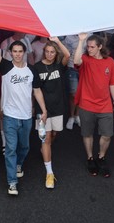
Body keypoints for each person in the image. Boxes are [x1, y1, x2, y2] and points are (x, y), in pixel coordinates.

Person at [0, 22, 47, 196]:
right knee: (11, 148)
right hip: (10, 116)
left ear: (24, 52)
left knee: (25, 147)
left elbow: (37, 91)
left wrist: (44, 110)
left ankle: (19, 164)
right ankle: (12, 182)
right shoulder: (6, 67)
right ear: (10, 53)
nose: (18, 54)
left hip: (26, 116)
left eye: (20, 51)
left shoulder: (31, 71)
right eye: (15, 51)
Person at [73, 33, 114, 178]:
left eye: (92, 47)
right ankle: (90, 158)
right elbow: (75, 60)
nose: (89, 49)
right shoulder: (85, 59)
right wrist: (81, 41)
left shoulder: (110, 62)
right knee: (87, 134)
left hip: (105, 104)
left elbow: (113, 83)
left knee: (107, 134)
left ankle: (101, 157)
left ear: (100, 47)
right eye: (88, 47)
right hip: (86, 104)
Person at [32, 37, 71, 188]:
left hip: (58, 107)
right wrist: (42, 110)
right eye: (47, 52)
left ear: (56, 53)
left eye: (52, 52)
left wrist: (57, 41)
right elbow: (36, 90)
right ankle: (49, 173)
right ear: (43, 52)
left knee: (54, 134)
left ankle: (45, 149)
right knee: (46, 138)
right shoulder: (36, 67)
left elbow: (67, 55)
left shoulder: (58, 66)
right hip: (43, 110)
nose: (49, 54)